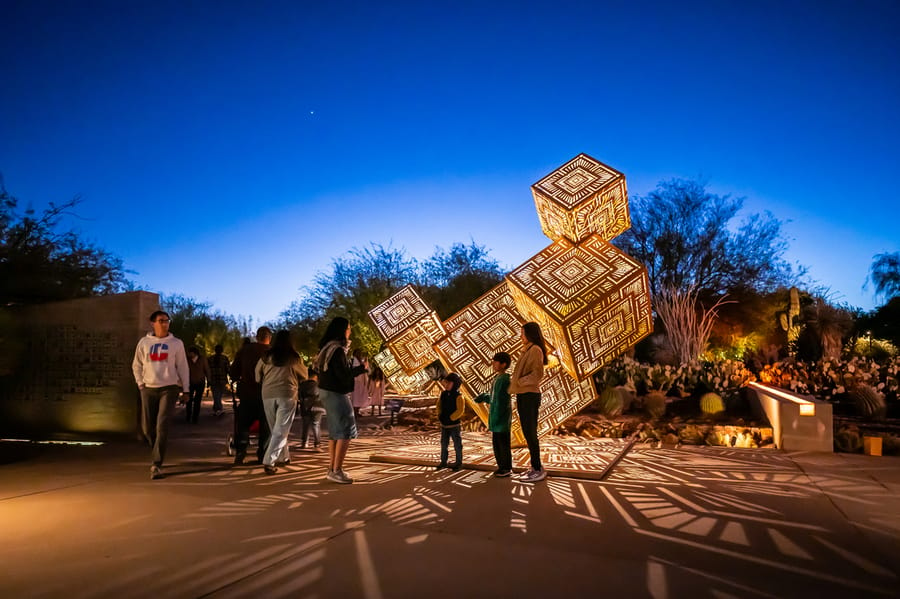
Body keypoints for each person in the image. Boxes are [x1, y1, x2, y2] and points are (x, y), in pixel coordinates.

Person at [132, 310, 190, 480]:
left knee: (162, 425)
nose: (164, 323)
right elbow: (136, 365)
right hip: (148, 388)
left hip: (169, 388)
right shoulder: (144, 343)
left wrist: (185, 389)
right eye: (161, 321)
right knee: (147, 428)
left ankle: (156, 464)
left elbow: (183, 367)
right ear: (153, 323)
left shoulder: (176, 343)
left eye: (167, 320)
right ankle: (156, 447)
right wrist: (140, 384)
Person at [315, 317, 367, 484]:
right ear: (342, 330)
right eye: (349, 328)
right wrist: (361, 369)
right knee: (346, 430)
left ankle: (332, 468)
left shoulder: (327, 348)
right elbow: (343, 375)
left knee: (335, 432)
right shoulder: (337, 350)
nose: (350, 331)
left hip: (326, 392)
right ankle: (337, 470)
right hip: (336, 393)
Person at [255, 330, 308, 475]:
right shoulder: (294, 358)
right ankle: (269, 460)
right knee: (281, 429)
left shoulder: (266, 357)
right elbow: (304, 375)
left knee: (276, 429)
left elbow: (257, 376)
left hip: (267, 395)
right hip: (287, 395)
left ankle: (284, 457)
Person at [509, 322, 548, 482]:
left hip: (530, 395)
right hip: (524, 394)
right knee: (527, 432)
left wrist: (519, 382)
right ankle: (534, 466)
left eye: (523, 333)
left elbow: (537, 374)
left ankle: (538, 468)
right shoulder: (528, 350)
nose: (521, 336)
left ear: (530, 334)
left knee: (530, 432)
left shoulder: (535, 350)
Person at [230, 326, 273, 465]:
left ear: (257, 336)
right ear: (269, 338)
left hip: (247, 393)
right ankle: (262, 454)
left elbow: (234, 371)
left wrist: (236, 378)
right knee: (266, 426)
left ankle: (241, 451)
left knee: (243, 424)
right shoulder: (271, 352)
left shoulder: (245, 350)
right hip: (266, 394)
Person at [475, 352, 513, 477]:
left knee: (503, 444)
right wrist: (485, 397)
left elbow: (500, 400)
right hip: (496, 419)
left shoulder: (504, 379)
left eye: (496, 361)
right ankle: (501, 467)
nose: (493, 364)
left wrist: (496, 417)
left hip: (500, 419)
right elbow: (493, 398)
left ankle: (506, 468)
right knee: (497, 444)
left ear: (503, 364)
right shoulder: (497, 378)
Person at [435, 372, 465, 472]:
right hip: (444, 425)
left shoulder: (458, 396)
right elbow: (439, 405)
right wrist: (440, 415)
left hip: (454, 425)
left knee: (457, 444)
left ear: (455, 384)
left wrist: (451, 418)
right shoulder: (443, 394)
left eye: (449, 383)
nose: (446, 385)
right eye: (446, 383)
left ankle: (458, 463)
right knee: (444, 444)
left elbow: (460, 410)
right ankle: (443, 462)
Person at [299, 369, 324, 451]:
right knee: (316, 425)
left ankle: (304, 442)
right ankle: (317, 444)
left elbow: (299, 396)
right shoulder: (319, 385)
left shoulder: (302, 385)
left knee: (305, 425)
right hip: (318, 407)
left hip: (305, 407)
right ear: (315, 377)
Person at [185, 346, 210, 424]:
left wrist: (209, 380)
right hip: (189, 382)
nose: (189, 354)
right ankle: (188, 416)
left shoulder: (202, 359)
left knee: (197, 400)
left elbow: (207, 369)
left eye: (190, 352)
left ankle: (195, 417)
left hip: (200, 382)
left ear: (194, 353)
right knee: (188, 400)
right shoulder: (187, 360)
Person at [208, 344, 230, 416]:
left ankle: (216, 409)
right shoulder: (224, 358)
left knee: (215, 394)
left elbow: (207, 370)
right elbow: (228, 369)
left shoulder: (210, 359)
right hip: (222, 380)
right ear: (222, 350)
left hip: (213, 379)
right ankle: (218, 409)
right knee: (219, 394)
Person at [351, 348, 369, 417]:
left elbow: (364, 368)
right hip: (356, 382)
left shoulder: (360, 360)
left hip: (361, 382)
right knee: (356, 397)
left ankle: (357, 411)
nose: (360, 354)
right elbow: (356, 370)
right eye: (358, 353)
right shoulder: (354, 361)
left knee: (360, 397)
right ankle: (355, 412)